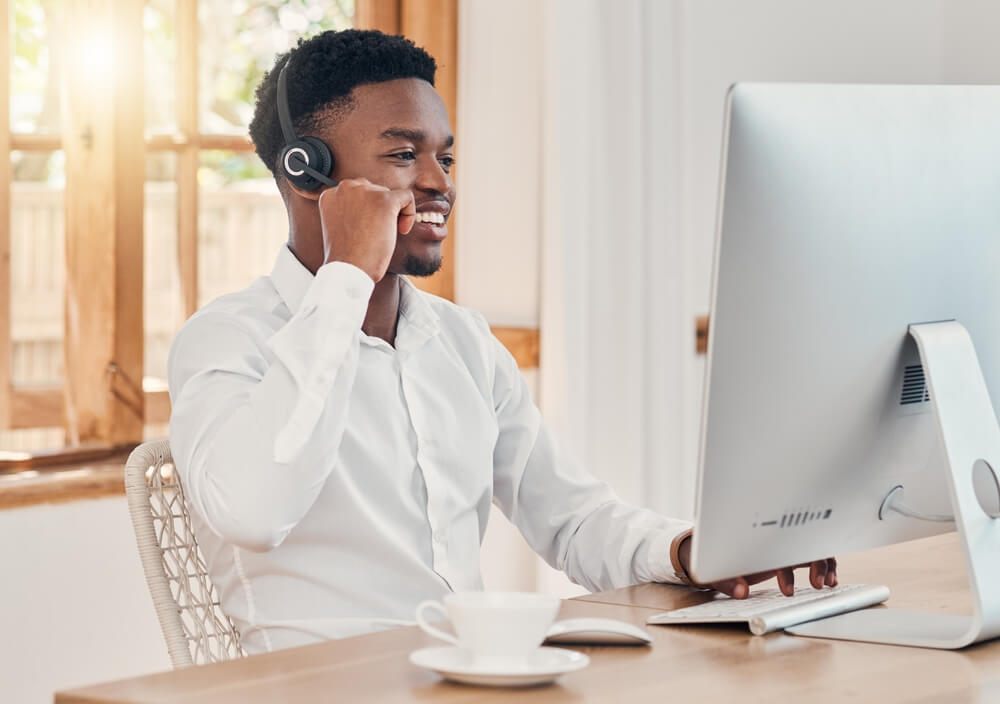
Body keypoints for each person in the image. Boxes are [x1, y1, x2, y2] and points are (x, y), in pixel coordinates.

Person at [168, 29, 836, 654]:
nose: (440, 181)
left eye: (446, 156)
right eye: (404, 154)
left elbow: (572, 519)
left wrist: (699, 553)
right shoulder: (228, 340)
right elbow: (256, 511)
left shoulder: (460, 341)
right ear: (306, 173)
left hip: (469, 678)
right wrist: (346, 275)